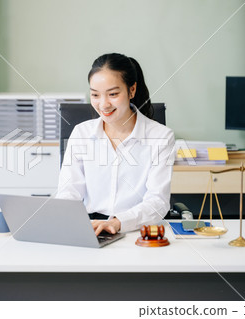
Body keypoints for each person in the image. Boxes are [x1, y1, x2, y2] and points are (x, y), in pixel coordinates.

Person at [56, 53, 175, 236]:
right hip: (90, 229)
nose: (103, 104)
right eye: (95, 94)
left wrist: (118, 223)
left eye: (113, 94)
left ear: (132, 90)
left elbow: (158, 202)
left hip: (136, 230)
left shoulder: (160, 137)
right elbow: (69, 191)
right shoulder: (82, 133)